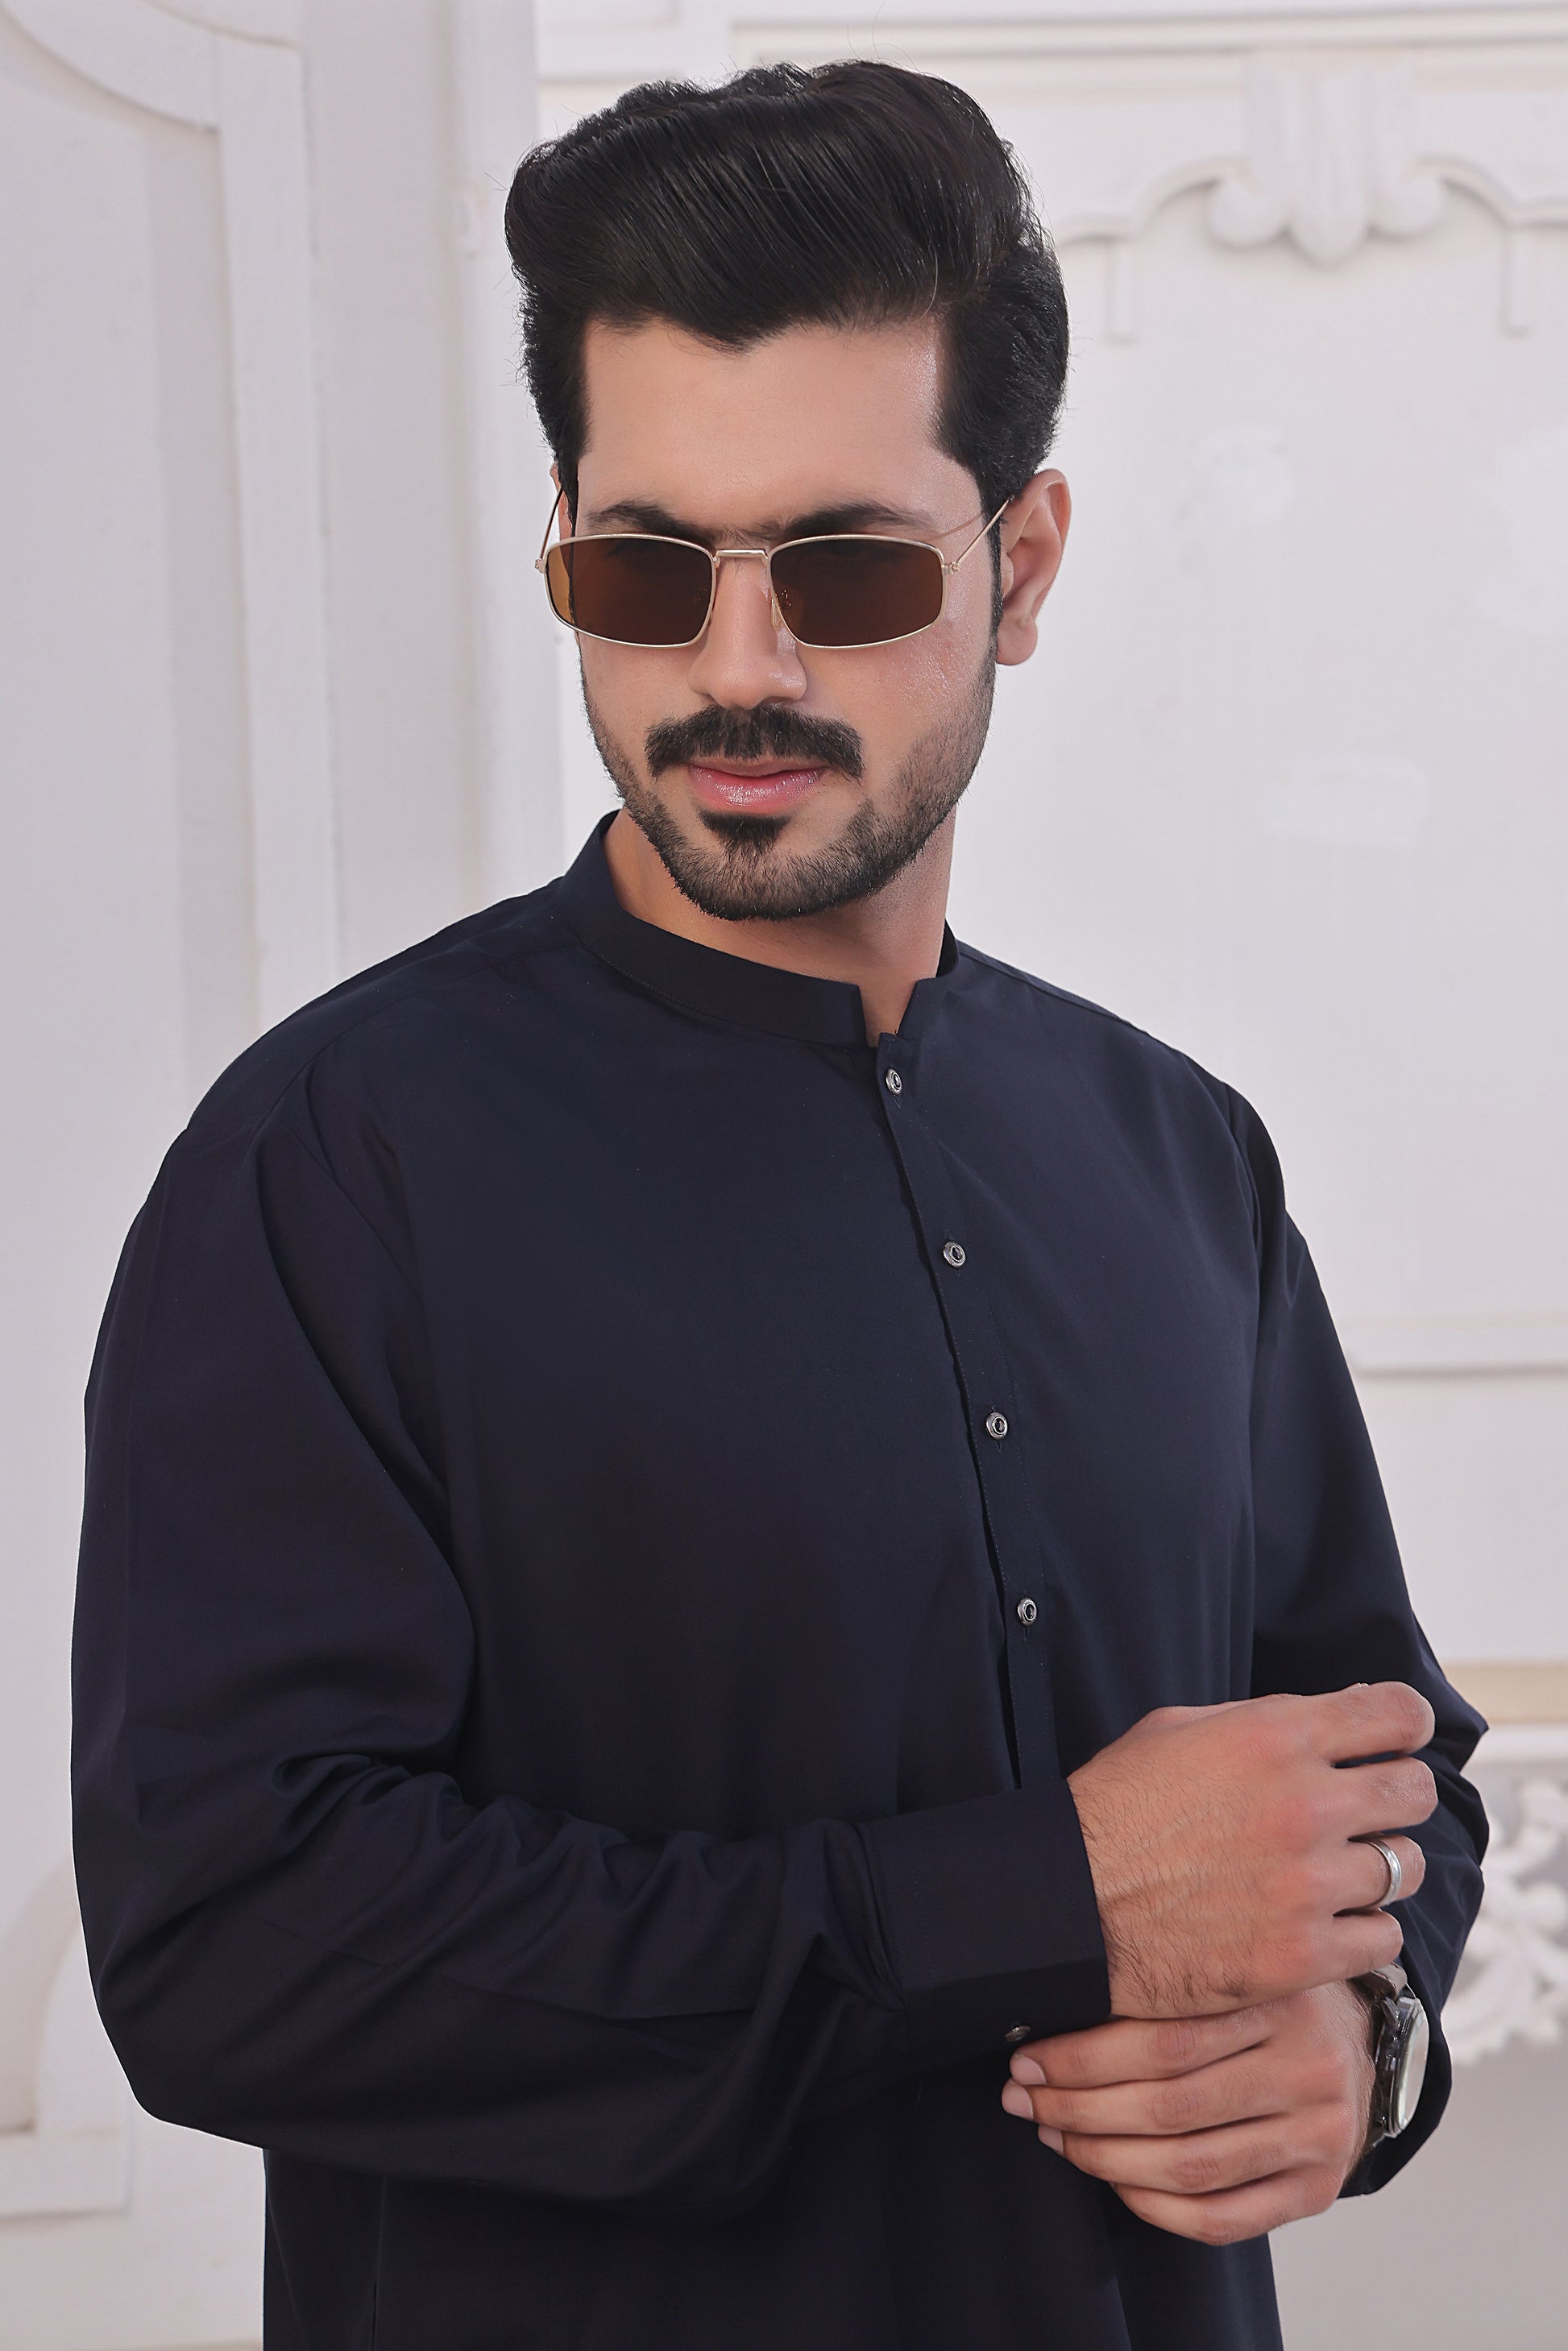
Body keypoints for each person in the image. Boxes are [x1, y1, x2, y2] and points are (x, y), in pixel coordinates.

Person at [72, 60, 1486, 2351]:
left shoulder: (1175, 1152)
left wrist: (1368, 2037)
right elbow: (232, 1944)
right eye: (646, 572)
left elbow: (1378, 1748)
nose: (735, 668)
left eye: (844, 570)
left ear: (1021, 566)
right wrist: (1037, 1898)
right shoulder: (332, 1163)